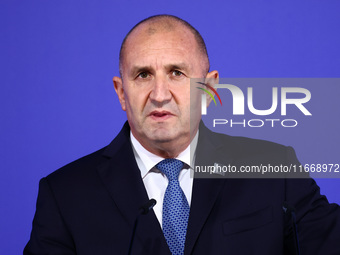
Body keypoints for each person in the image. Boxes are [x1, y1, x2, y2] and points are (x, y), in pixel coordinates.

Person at [24, 15, 340, 255]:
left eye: (177, 73)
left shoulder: (274, 168)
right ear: (122, 93)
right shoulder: (64, 194)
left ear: (209, 89)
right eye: (142, 75)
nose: (159, 94)